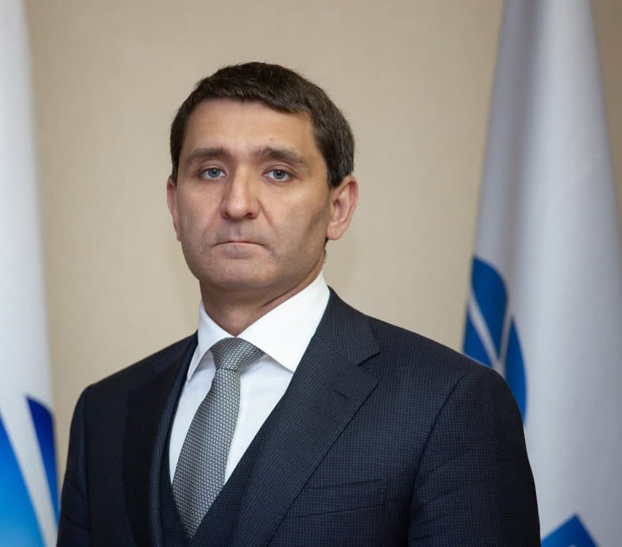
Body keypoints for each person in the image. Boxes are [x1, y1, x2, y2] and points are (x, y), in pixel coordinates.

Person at [57, 62, 540, 546]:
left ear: (338, 208)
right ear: (175, 205)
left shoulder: (448, 402)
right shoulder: (106, 413)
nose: (237, 203)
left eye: (278, 173)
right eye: (211, 171)